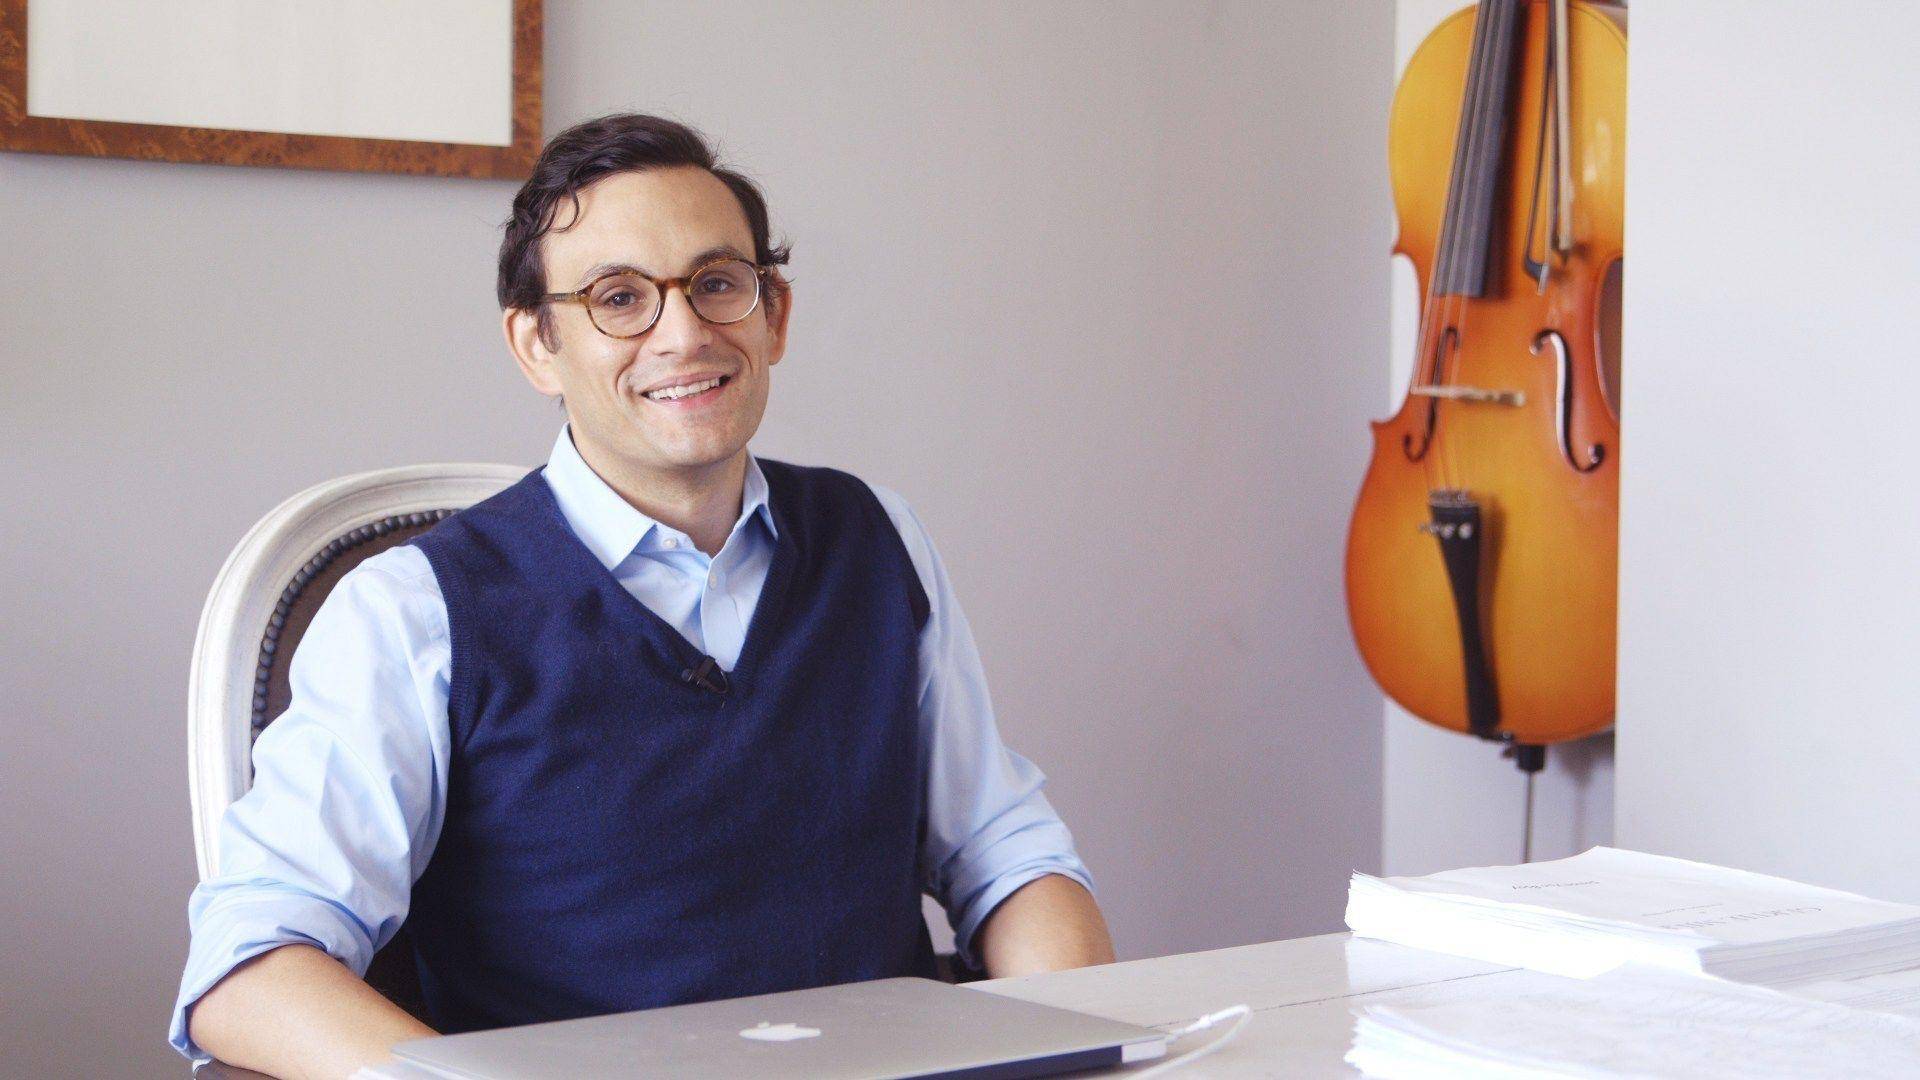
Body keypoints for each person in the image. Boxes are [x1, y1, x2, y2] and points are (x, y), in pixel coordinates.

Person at [169, 113, 1115, 1078]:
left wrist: (1077, 1047)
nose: (685, 334)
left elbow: (1010, 861)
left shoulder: (877, 538)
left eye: (718, 284)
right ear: (536, 345)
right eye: (619, 298)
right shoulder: (413, 611)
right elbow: (249, 971)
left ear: (775, 315)